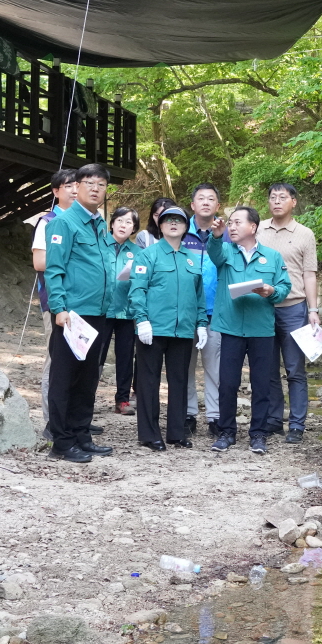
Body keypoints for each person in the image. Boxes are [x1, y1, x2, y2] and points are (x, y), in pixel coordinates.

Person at [43, 163, 118, 463]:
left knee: (88, 378)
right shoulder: (64, 222)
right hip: (72, 315)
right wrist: (59, 308)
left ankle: (80, 434)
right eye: (90, 182)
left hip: (99, 312)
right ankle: (61, 442)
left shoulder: (100, 223)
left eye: (101, 184)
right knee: (65, 377)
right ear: (77, 186)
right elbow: (54, 269)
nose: (96, 188)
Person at [129, 204, 218, 450]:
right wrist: (142, 320)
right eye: (168, 220)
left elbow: (199, 296)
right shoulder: (148, 254)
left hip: (183, 330)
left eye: (178, 220)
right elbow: (137, 289)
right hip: (153, 329)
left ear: (185, 226)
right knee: (148, 382)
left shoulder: (192, 259)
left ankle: (177, 432)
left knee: (180, 380)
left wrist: (201, 324)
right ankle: (149, 434)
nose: (173, 223)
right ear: (161, 225)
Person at [207, 205, 290, 454]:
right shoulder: (224, 250)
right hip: (231, 327)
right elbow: (213, 253)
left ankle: (258, 434)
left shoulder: (272, 256)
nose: (231, 226)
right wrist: (216, 234)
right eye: (229, 223)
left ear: (252, 227)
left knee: (261, 384)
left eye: (236, 223)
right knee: (228, 383)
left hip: (261, 328)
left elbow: (285, 286)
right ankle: (226, 432)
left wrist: (271, 291)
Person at [257, 182, 320, 444]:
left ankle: (296, 424)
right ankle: (273, 420)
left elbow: (309, 274)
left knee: (295, 369)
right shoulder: (258, 229)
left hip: (294, 308)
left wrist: (313, 310)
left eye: (283, 197)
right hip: (262, 308)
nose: (277, 201)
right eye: (273, 197)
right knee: (268, 369)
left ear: (294, 202)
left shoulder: (305, 234)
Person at [30, 169, 79, 441]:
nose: (74, 190)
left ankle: (72, 417)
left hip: (84, 302)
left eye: (76, 186)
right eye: (68, 186)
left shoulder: (86, 221)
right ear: (55, 191)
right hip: (56, 301)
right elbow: (39, 263)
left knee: (79, 359)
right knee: (56, 359)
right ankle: (51, 421)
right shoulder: (47, 222)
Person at [180, 184, 227, 426]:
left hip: (215, 311)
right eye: (201, 198)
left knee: (214, 366)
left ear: (218, 206)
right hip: (185, 310)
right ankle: (188, 414)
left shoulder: (227, 234)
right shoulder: (178, 230)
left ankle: (215, 417)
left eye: (211, 199)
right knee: (184, 366)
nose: (206, 202)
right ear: (193, 205)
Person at [103, 207, 142, 417]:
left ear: (134, 228)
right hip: (100, 310)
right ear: (112, 223)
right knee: (95, 357)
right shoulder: (99, 246)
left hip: (127, 313)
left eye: (129, 222)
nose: (123, 225)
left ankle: (123, 400)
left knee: (126, 358)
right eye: (120, 220)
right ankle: (86, 397)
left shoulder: (138, 253)